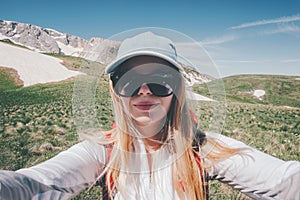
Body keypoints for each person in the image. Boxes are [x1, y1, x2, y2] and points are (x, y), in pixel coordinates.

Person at [0, 30, 300, 200]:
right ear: (115, 90)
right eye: (129, 79)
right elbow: (32, 185)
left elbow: (284, 181)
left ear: (177, 89)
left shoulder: (204, 149)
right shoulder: (102, 153)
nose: (144, 91)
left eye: (159, 78)